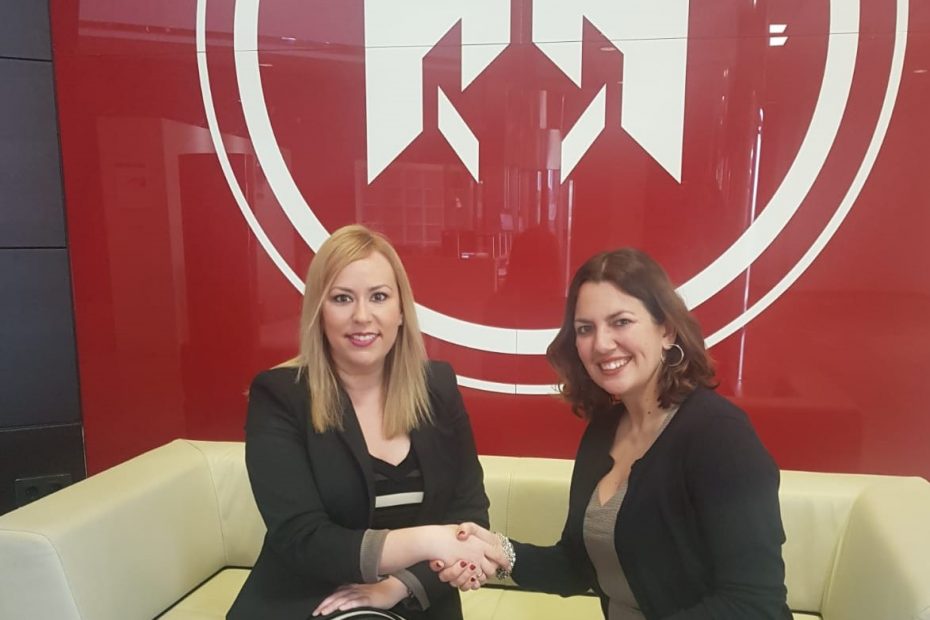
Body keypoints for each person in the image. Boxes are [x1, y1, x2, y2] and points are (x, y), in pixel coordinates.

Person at [439, 248, 791, 619]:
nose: (602, 344)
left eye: (621, 322)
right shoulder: (603, 431)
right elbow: (577, 566)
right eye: (585, 329)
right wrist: (498, 551)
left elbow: (755, 604)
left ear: (666, 330)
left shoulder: (720, 437)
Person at [228, 225, 503, 620]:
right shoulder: (280, 396)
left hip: (414, 603)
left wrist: (396, 587)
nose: (361, 316)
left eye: (378, 297)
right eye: (342, 298)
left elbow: (469, 514)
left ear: (401, 311)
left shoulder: (438, 387)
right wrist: (430, 540)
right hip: (313, 602)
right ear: (319, 312)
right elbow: (303, 539)